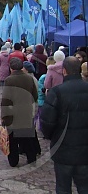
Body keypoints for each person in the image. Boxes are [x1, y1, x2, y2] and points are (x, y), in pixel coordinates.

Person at [41, 57, 88, 193]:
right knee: (84, 186)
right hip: (84, 150)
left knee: (63, 187)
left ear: (64, 71)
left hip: (63, 148)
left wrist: (51, 136)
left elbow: (47, 122)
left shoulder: (57, 92)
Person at [1, 57, 38, 167]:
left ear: (11, 68)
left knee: (12, 139)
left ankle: (13, 160)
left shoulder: (9, 80)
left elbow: (6, 99)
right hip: (26, 111)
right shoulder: (29, 78)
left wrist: (4, 115)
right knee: (27, 137)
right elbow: (34, 95)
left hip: (13, 112)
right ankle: (31, 158)